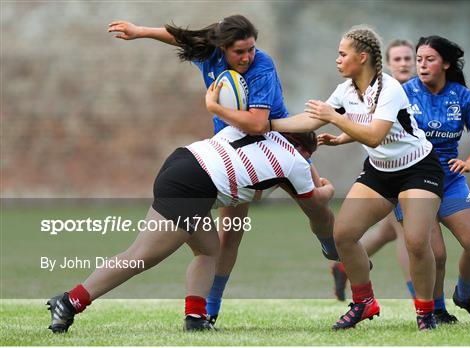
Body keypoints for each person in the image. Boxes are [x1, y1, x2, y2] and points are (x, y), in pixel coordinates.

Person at [108, 15, 336, 326]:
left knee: (319, 207)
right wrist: (140, 32)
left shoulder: (262, 65)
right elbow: (181, 38)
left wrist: (214, 107)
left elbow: (258, 124)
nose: (247, 57)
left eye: (251, 49)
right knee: (230, 236)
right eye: (239, 52)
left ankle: (333, 249)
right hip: (233, 150)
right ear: (221, 48)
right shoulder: (209, 53)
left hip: (279, 142)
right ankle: (210, 309)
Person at [47, 127, 335, 333]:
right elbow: (316, 205)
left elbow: (250, 188)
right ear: (303, 150)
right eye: (309, 156)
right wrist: (326, 187)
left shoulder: (254, 131)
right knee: (141, 256)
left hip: (183, 160)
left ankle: (196, 317)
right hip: (194, 186)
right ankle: (70, 301)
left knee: (209, 250)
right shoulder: (296, 161)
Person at [268, 25, 444, 331]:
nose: (337, 59)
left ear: (362, 57)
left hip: (419, 169)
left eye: (342, 53)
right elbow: (311, 118)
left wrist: (335, 118)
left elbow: (374, 136)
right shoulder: (346, 90)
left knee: (416, 242)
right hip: (380, 171)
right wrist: (268, 125)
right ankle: (364, 302)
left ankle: (426, 313)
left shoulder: (389, 89)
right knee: (343, 235)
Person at [399, 35, 470, 324]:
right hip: (412, 180)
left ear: (446, 63)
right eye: (419, 60)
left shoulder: (464, 97)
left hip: (450, 180)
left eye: (430, 59)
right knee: (435, 254)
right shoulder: (403, 93)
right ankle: (436, 309)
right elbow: (374, 127)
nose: (422, 65)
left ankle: (464, 295)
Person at [329, 39, 416, 302]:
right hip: (387, 169)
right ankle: (423, 304)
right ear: (387, 63)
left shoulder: (415, 91)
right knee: (404, 231)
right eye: (397, 59)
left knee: (388, 231)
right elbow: (370, 130)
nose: (403, 63)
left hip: (414, 166)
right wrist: (341, 135)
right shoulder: (378, 88)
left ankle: (343, 266)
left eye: (408, 58)